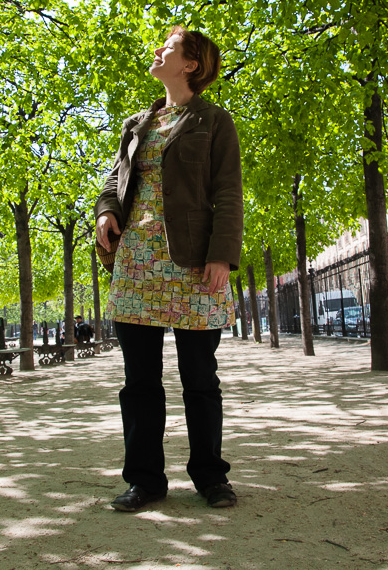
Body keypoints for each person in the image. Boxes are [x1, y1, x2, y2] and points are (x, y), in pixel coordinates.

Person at [95, 26, 242, 512]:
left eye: (169, 48)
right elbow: (116, 176)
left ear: (192, 64)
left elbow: (227, 191)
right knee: (139, 380)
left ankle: (210, 477)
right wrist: (105, 212)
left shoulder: (214, 121)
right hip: (137, 261)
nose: (158, 51)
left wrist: (222, 253)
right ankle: (144, 480)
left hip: (194, 263)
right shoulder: (138, 123)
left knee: (199, 377)